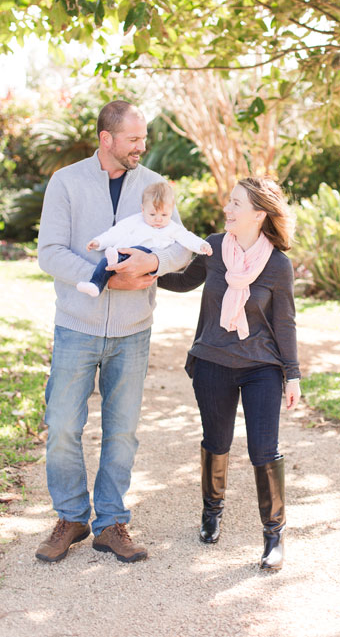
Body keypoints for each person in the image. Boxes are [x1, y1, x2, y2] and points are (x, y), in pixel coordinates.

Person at [36, 100, 193, 564]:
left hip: (133, 331)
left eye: (144, 138)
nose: (142, 147)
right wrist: (106, 275)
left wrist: (154, 262)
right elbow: (50, 253)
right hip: (76, 327)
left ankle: (110, 523)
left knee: (121, 432)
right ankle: (70, 517)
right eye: (133, 139)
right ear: (107, 139)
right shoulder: (65, 182)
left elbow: (181, 249)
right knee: (63, 425)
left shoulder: (154, 186)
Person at [158, 176, 300, 571]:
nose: (227, 208)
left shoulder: (277, 265)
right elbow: (186, 280)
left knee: (263, 451)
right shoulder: (215, 247)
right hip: (213, 362)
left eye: (236, 204)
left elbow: (285, 322)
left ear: (258, 214)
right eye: (229, 202)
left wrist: (293, 374)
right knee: (216, 442)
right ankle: (211, 513)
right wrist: (146, 274)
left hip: (261, 368)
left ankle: (274, 537)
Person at [77, 180, 212, 297]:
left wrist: (201, 246)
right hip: (122, 252)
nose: (158, 219)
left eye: (164, 214)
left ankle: (116, 259)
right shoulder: (135, 220)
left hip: (146, 256)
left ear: (171, 211)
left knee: (139, 249)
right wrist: (99, 242)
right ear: (143, 209)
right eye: (152, 214)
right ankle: (95, 285)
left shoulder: (172, 227)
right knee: (104, 263)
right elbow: (116, 232)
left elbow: (187, 238)